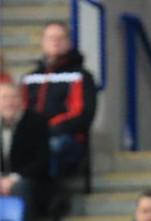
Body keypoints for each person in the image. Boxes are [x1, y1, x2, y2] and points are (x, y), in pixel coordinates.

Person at [20, 22, 97, 178]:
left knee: (49, 148)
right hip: (34, 136)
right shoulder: (30, 78)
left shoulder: (81, 76)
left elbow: (82, 115)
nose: (55, 41)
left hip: (67, 138)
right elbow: (22, 109)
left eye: (60, 37)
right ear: (43, 42)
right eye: (50, 38)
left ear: (69, 42)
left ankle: (49, 198)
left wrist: (47, 129)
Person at [0, 81, 49, 211]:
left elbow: (41, 160)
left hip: (28, 178)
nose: (9, 102)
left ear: (21, 101)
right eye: (4, 98)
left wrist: (12, 179)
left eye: (13, 97)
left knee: (20, 187)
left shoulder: (36, 122)